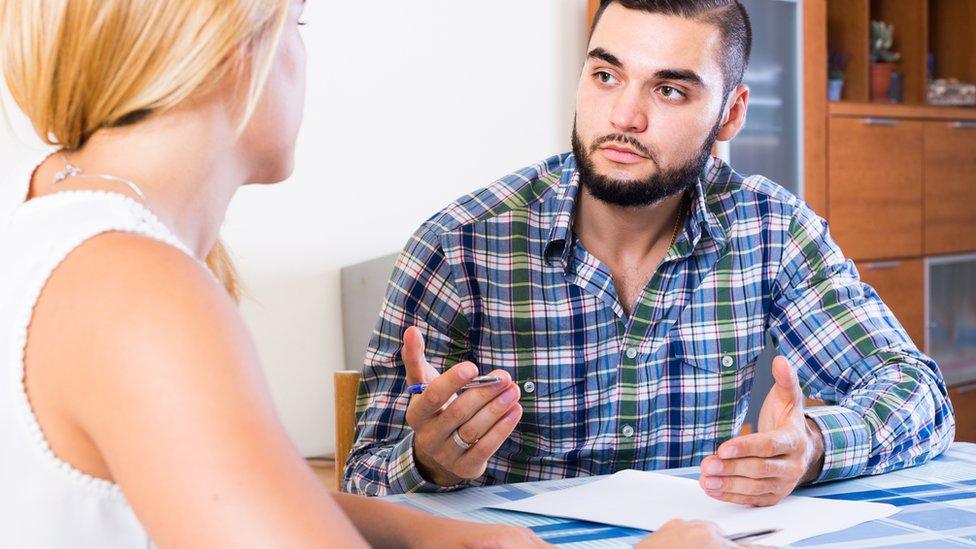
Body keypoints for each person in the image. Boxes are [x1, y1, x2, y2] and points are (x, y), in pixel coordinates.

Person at [347, 0, 956, 507]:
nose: (623, 116)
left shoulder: (770, 230)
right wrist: (428, 461)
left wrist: (812, 445)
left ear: (731, 113)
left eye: (668, 90)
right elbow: (362, 481)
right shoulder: (460, 244)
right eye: (606, 76)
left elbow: (918, 392)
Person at [0, 0, 554, 546]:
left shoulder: (63, 208)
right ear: (231, 47)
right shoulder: (137, 289)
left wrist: (428, 534)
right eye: (298, 22)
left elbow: (228, 485)